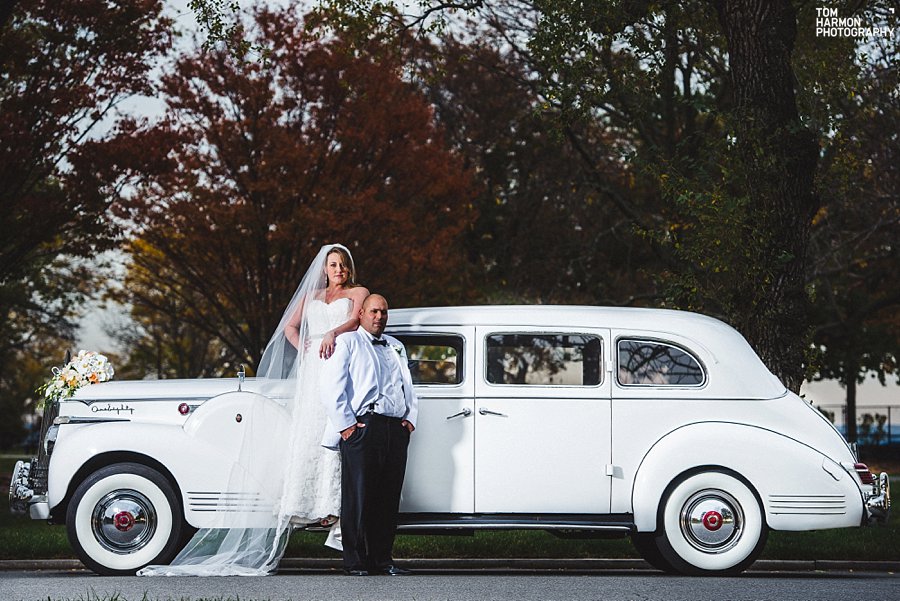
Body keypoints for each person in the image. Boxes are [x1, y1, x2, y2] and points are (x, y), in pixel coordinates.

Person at [138, 243, 367, 576]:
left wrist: (331, 333)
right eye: (333, 265)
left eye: (343, 264)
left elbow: (356, 320)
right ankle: (305, 504)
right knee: (309, 430)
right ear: (325, 268)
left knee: (332, 429)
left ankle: (332, 506)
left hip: (339, 359)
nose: (338, 270)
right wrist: (304, 345)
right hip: (313, 365)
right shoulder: (313, 296)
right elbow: (290, 327)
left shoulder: (358, 292)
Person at [320, 293, 418, 576]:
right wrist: (347, 426)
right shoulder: (348, 343)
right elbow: (331, 388)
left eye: (384, 312)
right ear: (361, 314)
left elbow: (409, 387)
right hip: (363, 427)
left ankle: (382, 559)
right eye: (374, 311)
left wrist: (409, 420)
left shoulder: (396, 346)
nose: (379, 317)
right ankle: (355, 561)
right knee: (358, 498)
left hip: (395, 429)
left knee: (387, 498)